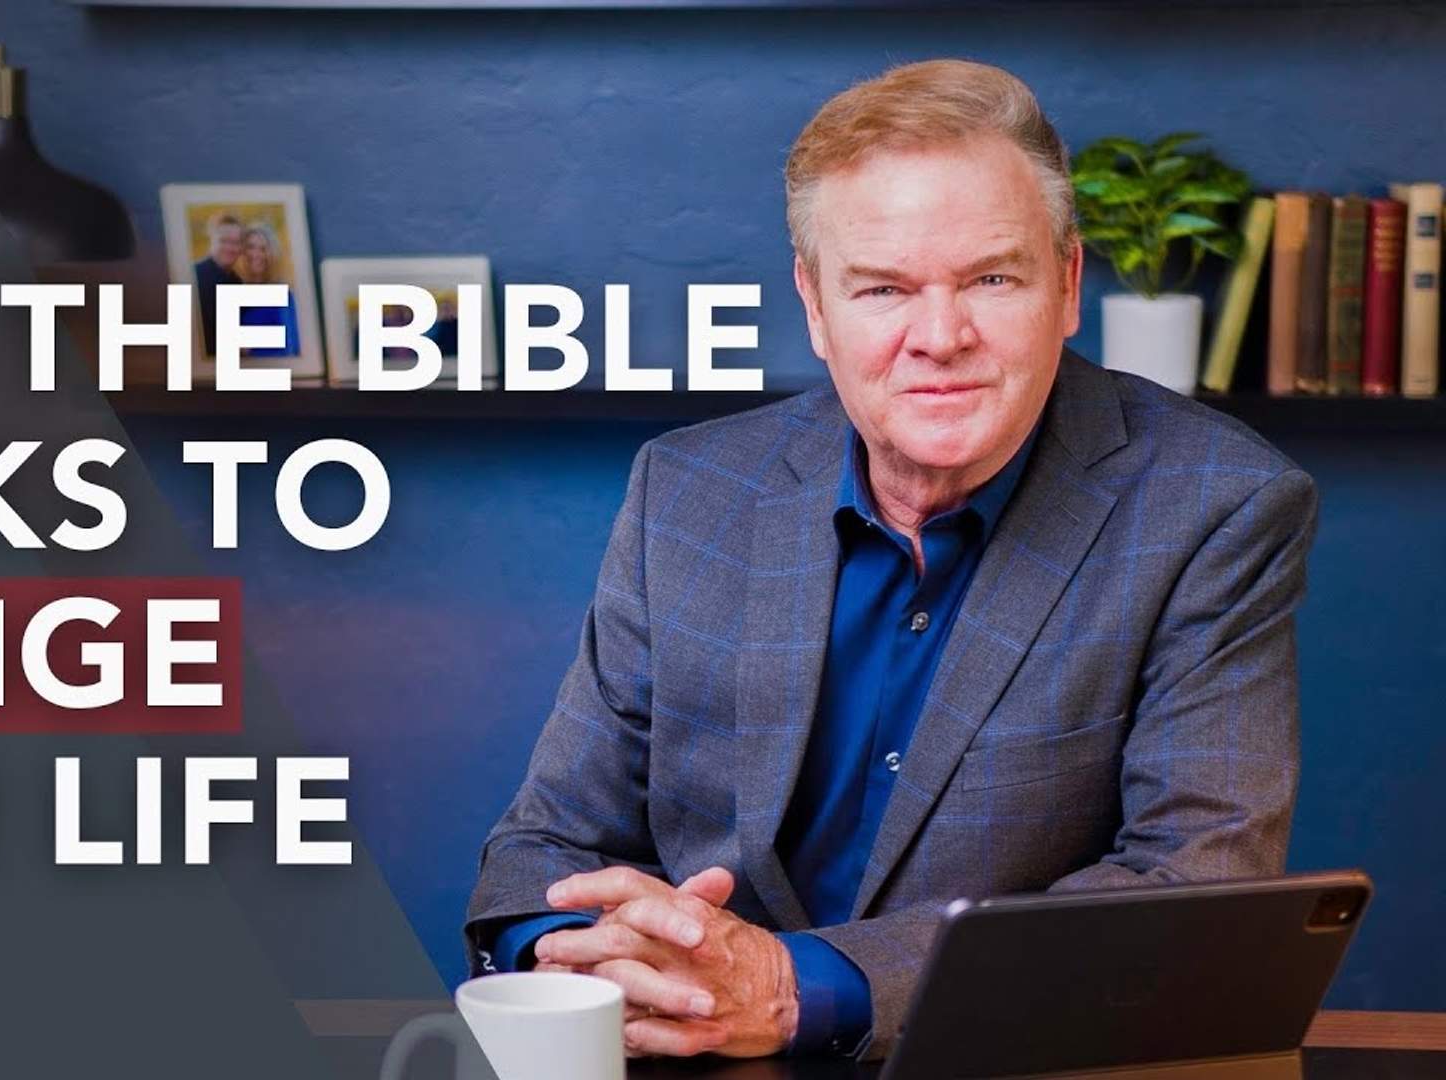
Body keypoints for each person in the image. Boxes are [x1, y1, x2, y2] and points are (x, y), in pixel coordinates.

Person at [465, 58, 1315, 1063]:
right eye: (883, 289)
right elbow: (542, 850)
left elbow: (1194, 885)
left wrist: (795, 987)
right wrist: (586, 961)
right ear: (817, 305)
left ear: (1070, 283)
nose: (940, 337)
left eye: (993, 278)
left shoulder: (1215, 506)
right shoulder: (685, 491)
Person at [231, 222, 301, 358]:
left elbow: (290, 348)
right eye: (250, 247)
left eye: (263, 249)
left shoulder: (283, 294)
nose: (255, 254)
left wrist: (250, 347)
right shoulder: (234, 290)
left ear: (272, 254)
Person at [193, 212, 243, 354]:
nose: (230, 248)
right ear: (211, 240)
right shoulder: (193, 277)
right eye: (223, 241)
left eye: (235, 242)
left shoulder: (237, 282)